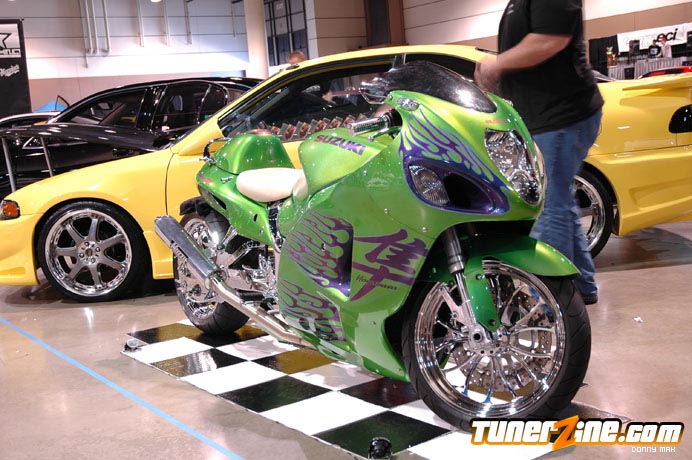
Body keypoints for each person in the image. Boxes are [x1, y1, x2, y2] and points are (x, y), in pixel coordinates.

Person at [475, 0, 603, 305]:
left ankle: (551, 302)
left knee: (548, 207)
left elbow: (549, 40)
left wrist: (497, 64)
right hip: (548, 116)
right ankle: (580, 288)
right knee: (558, 201)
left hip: (560, 115)